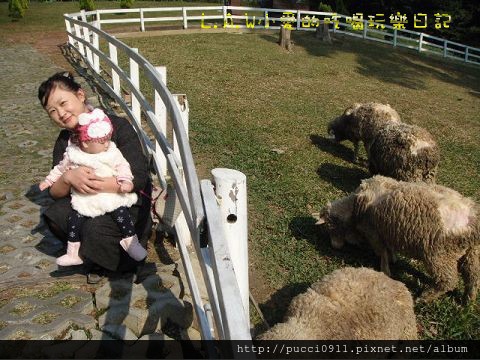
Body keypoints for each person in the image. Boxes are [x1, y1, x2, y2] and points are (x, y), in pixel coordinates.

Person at [38, 71, 152, 279]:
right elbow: (55, 192)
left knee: (94, 228)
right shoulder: (65, 140)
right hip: (86, 201)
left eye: (63, 103)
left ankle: (118, 262)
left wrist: (94, 184)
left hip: (123, 200)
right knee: (54, 214)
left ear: (80, 95)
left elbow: (138, 176)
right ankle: (88, 254)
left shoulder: (116, 126)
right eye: (52, 111)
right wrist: (68, 178)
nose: (60, 113)